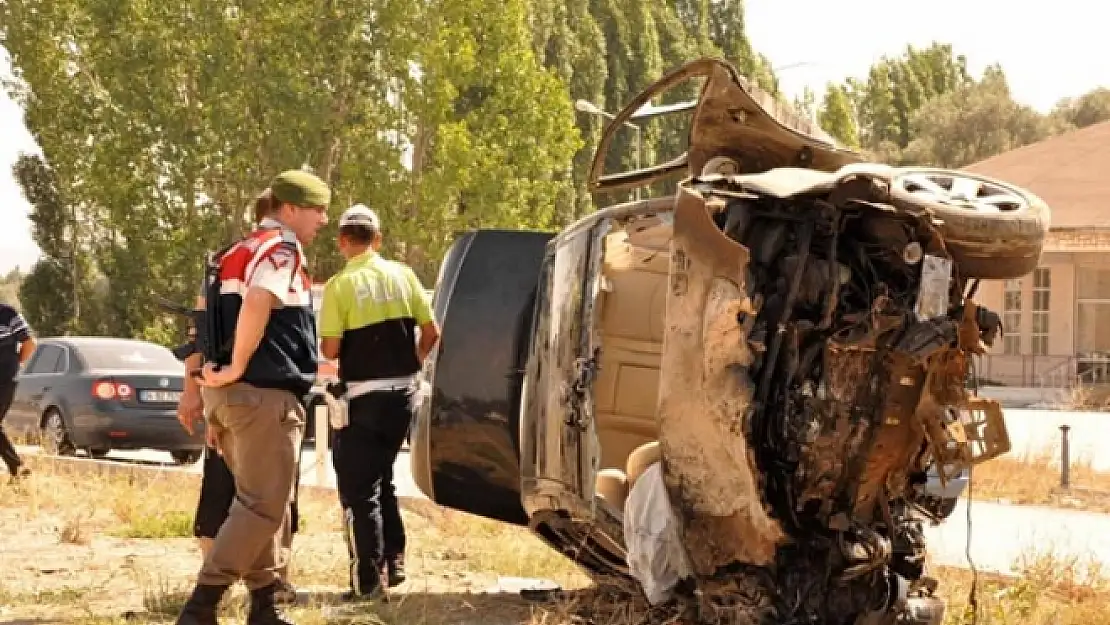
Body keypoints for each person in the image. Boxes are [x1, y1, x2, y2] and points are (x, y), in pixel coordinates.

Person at [175, 169, 329, 625]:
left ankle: (264, 605)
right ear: (290, 209)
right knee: (264, 504)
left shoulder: (231, 253)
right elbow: (261, 300)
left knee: (254, 504)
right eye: (318, 210)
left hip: (230, 397)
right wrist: (240, 364)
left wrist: (202, 380)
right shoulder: (280, 250)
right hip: (262, 395)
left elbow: (199, 318)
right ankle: (202, 605)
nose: (323, 219)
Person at [318, 204, 440, 600]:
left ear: (342, 242)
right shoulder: (404, 275)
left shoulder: (341, 284)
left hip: (364, 397)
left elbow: (331, 349)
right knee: (383, 478)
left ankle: (367, 581)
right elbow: (432, 332)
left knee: (358, 489)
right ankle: (395, 560)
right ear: (379, 239)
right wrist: (413, 363)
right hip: (403, 397)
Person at [0, 303, 36, 480]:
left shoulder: (7, 313)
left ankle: (18, 469)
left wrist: (14, 367)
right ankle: (18, 470)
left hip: (5, 380)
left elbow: (29, 343)